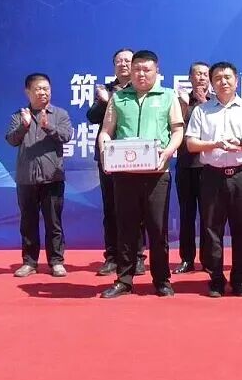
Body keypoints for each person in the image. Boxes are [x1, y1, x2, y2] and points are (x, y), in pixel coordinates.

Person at [97, 50, 184, 298]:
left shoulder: (168, 96)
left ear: (157, 71)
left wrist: (168, 152)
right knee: (126, 227)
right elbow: (106, 131)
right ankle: (124, 280)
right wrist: (105, 153)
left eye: (147, 69)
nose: (141, 74)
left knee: (157, 229)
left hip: (157, 174)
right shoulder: (118, 98)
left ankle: (162, 280)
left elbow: (177, 131)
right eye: (137, 69)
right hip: (124, 174)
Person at [184, 62, 242, 297]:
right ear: (212, 82)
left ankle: (239, 279)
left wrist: (240, 143)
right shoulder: (202, 111)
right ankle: (216, 279)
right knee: (212, 229)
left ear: (236, 80)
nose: (223, 81)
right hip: (212, 175)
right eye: (218, 78)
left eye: (228, 77)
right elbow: (191, 144)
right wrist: (215, 144)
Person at [6, 73, 73, 278]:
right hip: (26, 178)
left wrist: (47, 126)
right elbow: (11, 140)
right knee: (28, 222)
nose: (43, 92)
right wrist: (24, 125)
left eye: (46, 89)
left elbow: (67, 135)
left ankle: (56, 262)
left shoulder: (59, 114)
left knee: (54, 222)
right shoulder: (19, 115)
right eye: (38, 89)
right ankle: (29, 262)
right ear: (28, 92)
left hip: (52, 177)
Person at [86, 48, 145, 276]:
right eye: (119, 61)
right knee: (111, 208)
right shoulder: (105, 89)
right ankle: (112, 257)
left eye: (127, 60)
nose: (123, 64)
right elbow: (92, 117)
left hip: (137, 157)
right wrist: (103, 102)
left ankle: (137, 257)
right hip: (109, 157)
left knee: (136, 210)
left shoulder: (141, 89)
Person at [173, 61, 210, 274]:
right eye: (197, 74)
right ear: (190, 77)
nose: (201, 77)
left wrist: (204, 103)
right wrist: (185, 104)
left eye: (205, 74)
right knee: (187, 214)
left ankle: (208, 259)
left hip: (208, 166)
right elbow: (178, 129)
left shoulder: (216, 102)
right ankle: (187, 259)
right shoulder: (180, 101)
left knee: (209, 215)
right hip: (186, 165)